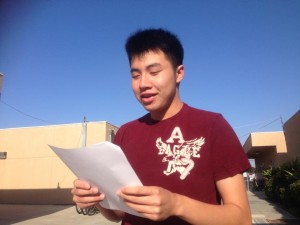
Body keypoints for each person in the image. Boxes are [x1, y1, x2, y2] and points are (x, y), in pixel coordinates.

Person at [72, 28, 252, 225]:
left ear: (179, 73)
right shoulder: (126, 132)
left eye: (154, 72)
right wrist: (97, 199)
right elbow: (119, 215)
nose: (143, 84)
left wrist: (176, 204)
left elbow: (241, 218)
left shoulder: (212, 126)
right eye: (135, 75)